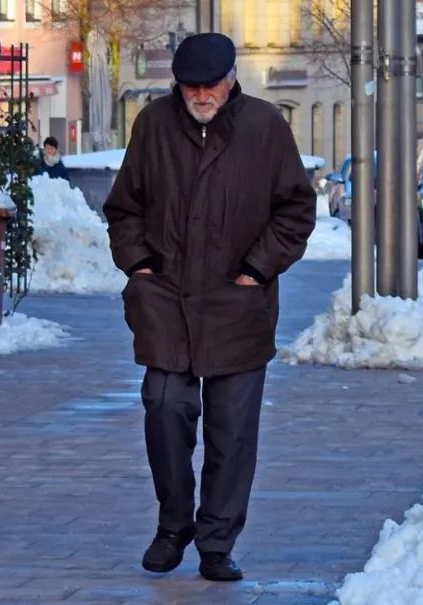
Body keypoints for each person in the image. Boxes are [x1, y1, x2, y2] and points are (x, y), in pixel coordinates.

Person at [102, 33, 316, 583]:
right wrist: (140, 266)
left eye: (209, 85)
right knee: (164, 404)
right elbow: (124, 207)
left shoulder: (265, 127)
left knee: (233, 428)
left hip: (238, 300)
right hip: (167, 297)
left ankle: (217, 542)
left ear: (231, 78)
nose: (200, 94)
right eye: (189, 86)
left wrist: (257, 269)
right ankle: (174, 524)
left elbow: (295, 210)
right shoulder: (153, 125)